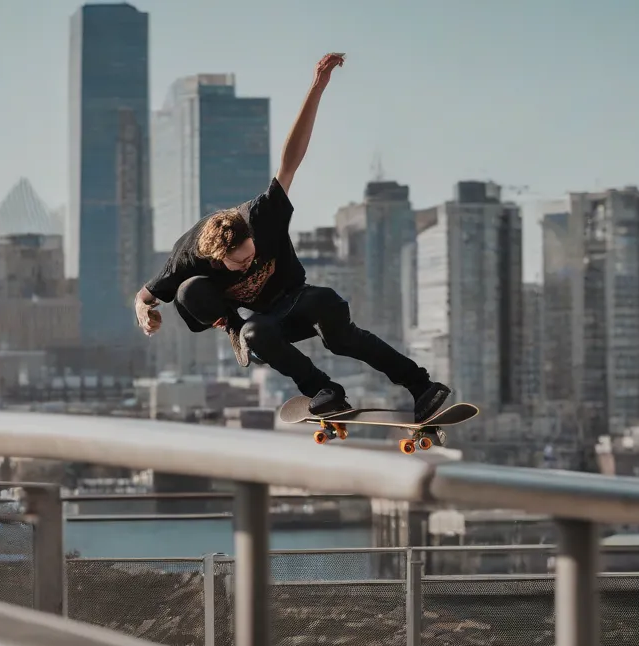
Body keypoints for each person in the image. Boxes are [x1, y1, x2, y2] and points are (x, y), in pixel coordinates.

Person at [134, 52, 451, 421]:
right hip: (264, 322)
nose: (250, 263)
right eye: (240, 263)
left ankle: (422, 386)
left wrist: (317, 88)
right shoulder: (186, 256)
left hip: (298, 299)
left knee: (338, 326)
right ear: (216, 256)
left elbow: (291, 160)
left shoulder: (261, 215)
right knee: (199, 299)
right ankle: (323, 390)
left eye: (251, 254)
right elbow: (144, 297)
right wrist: (144, 314)